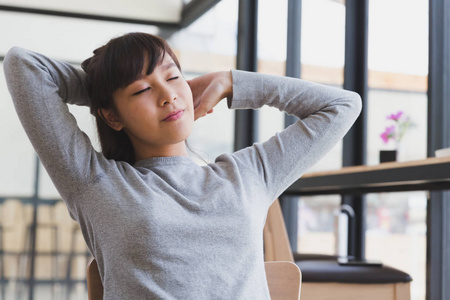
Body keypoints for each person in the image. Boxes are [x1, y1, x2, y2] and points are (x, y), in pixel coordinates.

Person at [3, 32, 361, 299]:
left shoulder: (248, 173)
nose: (168, 95)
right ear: (112, 116)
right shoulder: (95, 183)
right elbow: (24, 65)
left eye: (173, 77)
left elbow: (342, 106)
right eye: (142, 90)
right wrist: (102, 88)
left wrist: (232, 82)